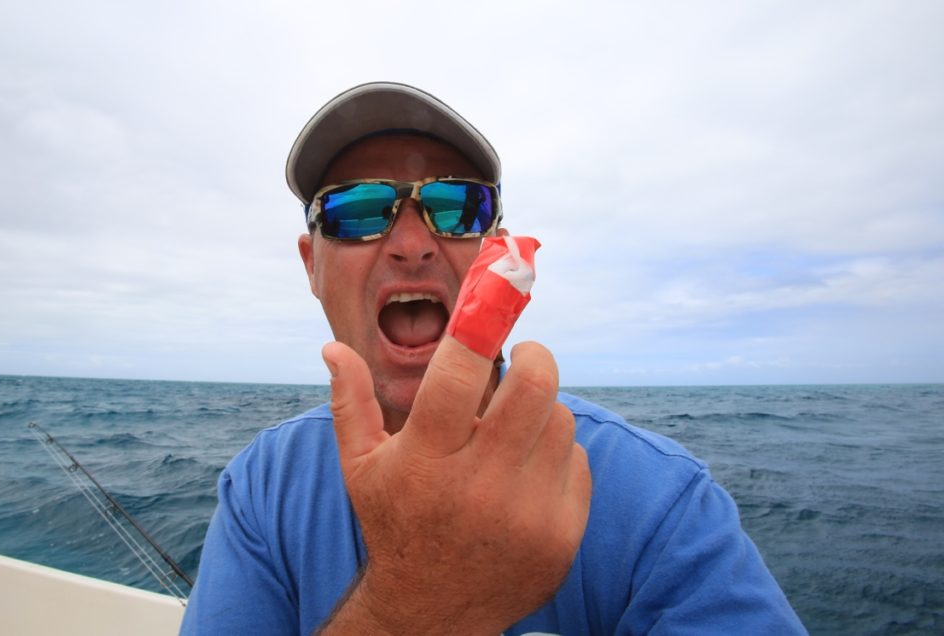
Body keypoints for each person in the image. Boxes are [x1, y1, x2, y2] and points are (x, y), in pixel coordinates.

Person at [180, 82, 805, 635]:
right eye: (357, 211)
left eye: (457, 207)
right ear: (311, 265)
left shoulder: (662, 501)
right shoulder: (261, 487)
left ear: (497, 249)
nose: (411, 244)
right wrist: (417, 603)